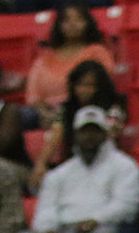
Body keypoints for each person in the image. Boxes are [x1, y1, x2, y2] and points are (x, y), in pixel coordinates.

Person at [10, 107, 139, 233]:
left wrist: (96, 220)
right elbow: (46, 208)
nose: (89, 137)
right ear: (75, 136)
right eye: (84, 132)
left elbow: (126, 205)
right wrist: (49, 231)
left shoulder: (124, 165)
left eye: (95, 132)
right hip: (63, 230)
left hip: (100, 228)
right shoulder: (60, 173)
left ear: (105, 135)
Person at [29, 58, 127, 189]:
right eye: (79, 85)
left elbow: (109, 137)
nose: (83, 90)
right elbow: (55, 135)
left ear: (100, 87)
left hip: (105, 163)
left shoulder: (113, 109)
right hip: (73, 163)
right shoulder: (67, 109)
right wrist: (40, 164)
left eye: (89, 85)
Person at [23, 2, 115, 128]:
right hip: (44, 113)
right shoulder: (44, 57)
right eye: (66, 20)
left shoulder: (97, 52)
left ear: (88, 24)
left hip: (83, 110)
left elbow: (103, 87)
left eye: (79, 19)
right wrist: (46, 115)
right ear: (59, 25)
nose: (72, 24)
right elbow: (33, 97)